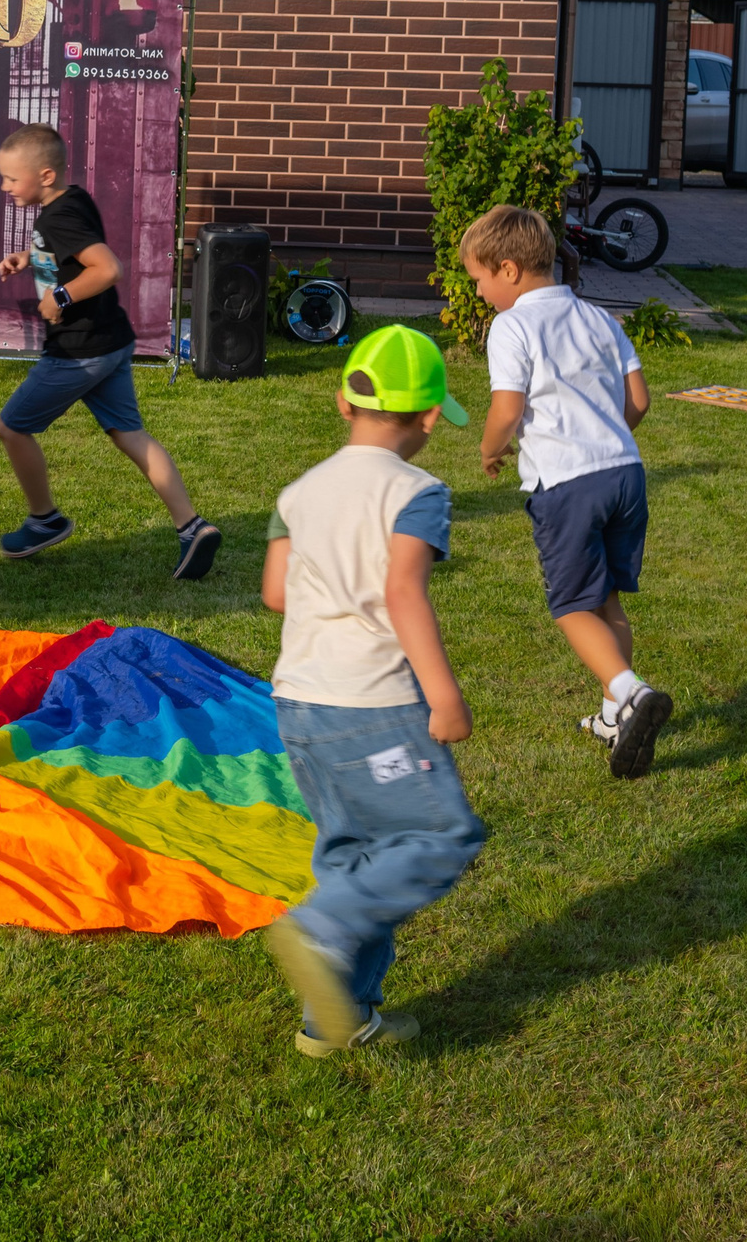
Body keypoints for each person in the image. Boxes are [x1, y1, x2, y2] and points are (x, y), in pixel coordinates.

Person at [260, 325, 486, 1058]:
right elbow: (402, 592)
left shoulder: (297, 492)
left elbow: (273, 593)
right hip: (375, 705)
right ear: (427, 418)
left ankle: (335, 1020)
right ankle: (320, 929)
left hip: (299, 700)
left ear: (343, 402)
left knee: (353, 853)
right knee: (440, 836)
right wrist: (443, 694)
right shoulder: (417, 491)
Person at [464, 203, 672, 778]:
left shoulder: (512, 325)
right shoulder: (602, 318)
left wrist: (489, 449)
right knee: (607, 598)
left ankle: (630, 692)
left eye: (478, 279)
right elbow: (640, 401)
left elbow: (507, 409)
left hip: (568, 485)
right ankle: (613, 716)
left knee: (573, 605)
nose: (480, 292)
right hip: (626, 474)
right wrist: (605, 439)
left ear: (508, 270)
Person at [0, 125, 219, 580]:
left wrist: (62, 297)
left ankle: (44, 520)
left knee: (12, 428)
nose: (4, 187)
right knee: (129, 435)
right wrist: (27, 258)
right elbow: (73, 253)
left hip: (78, 351)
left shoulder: (57, 217)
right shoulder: (73, 200)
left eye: (12, 179)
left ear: (46, 174)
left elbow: (106, 268)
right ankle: (192, 527)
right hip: (112, 344)